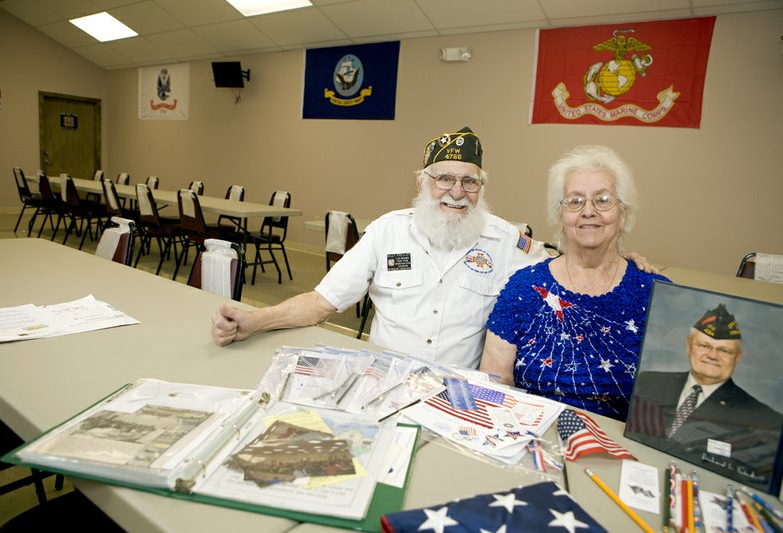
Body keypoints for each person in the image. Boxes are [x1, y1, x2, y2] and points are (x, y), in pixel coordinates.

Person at [212, 130, 654, 369]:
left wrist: (623, 264)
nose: (456, 192)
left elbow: (573, 263)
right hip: (383, 379)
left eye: (469, 181)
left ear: (481, 188)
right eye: (444, 178)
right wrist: (256, 320)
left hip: (460, 393)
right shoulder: (387, 231)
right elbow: (322, 303)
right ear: (422, 182)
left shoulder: (507, 241)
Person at [481, 145, 669, 421]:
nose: (588, 211)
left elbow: (669, 404)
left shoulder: (654, 293)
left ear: (624, 213)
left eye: (603, 200)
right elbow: (495, 382)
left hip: (619, 450)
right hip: (531, 439)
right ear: (560, 216)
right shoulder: (524, 288)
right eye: (575, 201)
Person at [626, 303, 783, 491]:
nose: (712, 355)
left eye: (724, 350)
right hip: (637, 473)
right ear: (688, 345)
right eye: (704, 345)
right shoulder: (649, 382)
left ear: (738, 357)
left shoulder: (763, 419)